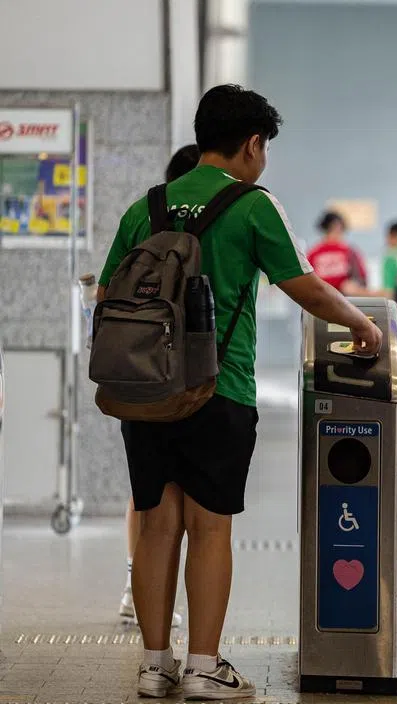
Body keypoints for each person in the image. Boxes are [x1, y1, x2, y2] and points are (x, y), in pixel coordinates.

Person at [98, 84, 383, 701]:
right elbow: (303, 287)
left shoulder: (144, 208)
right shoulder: (253, 206)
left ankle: (154, 665)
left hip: (144, 392)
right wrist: (360, 324)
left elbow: (106, 297)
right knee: (210, 528)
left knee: (155, 524)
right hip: (217, 390)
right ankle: (203, 665)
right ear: (253, 144)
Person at [117, 143, 203, 628]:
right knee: (197, 513)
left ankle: (136, 588)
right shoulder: (230, 218)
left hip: (141, 375)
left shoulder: (142, 214)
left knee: (147, 500)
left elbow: (107, 290)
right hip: (201, 382)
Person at [307, 211, 382, 296]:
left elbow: (361, 279)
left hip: (343, 299)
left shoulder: (349, 251)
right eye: (334, 229)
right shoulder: (315, 253)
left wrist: (354, 285)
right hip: (324, 298)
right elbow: (308, 279)